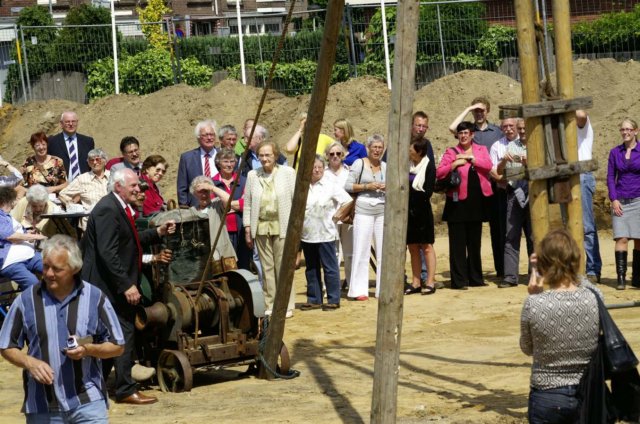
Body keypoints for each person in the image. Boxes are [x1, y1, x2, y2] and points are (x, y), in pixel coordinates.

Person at [0, 235, 125, 423]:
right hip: (42, 406)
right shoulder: (26, 301)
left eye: (57, 269)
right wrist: (29, 362)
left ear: (74, 269)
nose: (48, 274)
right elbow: (6, 345)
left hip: (88, 402)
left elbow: (117, 345)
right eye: (45, 266)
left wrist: (89, 349)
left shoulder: (95, 298)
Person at [81, 168, 176, 405]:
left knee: (109, 336)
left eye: (138, 185)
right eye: (133, 185)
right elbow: (108, 253)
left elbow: (129, 242)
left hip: (112, 285)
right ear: (118, 187)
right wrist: (126, 285)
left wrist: (157, 232)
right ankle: (124, 389)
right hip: (108, 287)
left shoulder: (118, 208)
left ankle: (94, 386)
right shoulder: (106, 210)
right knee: (122, 333)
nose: (138, 189)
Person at [520, 229, 601, 423]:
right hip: (587, 391)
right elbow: (585, 283)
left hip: (547, 394)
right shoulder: (595, 297)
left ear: (543, 264)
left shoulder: (534, 303)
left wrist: (536, 288)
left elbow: (527, 348)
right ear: (576, 259)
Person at [449, 97, 505, 277]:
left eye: (482, 110)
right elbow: (452, 128)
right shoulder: (468, 130)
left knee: (497, 229)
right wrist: (469, 107)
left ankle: (501, 268)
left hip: (493, 185)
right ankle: (472, 271)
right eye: (476, 111)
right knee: (473, 231)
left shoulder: (496, 131)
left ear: (488, 111)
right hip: (474, 187)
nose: (479, 114)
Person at [437, 122, 493, 290]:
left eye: (466, 133)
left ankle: (476, 278)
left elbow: (489, 166)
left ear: (472, 134)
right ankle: (459, 280)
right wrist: (454, 164)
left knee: (474, 243)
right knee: (458, 245)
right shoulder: (451, 152)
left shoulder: (481, 150)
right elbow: (440, 172)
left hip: (477, 203)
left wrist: (472, 159)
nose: (463, 136)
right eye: (460, 133)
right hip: (457, 204)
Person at [243, 140, 296, 317]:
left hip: (283, 226)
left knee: (283, 266)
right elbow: (248, 204)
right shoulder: (252, 175)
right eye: (261, 155)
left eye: (268, 155)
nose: (264, 158)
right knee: (266, 269)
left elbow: (297, 201)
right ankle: (270, 304)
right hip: (261, 227)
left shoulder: (288, 173)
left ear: (276, 156)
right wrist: (248, 228)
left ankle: (286, 305)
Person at [300, 155, 351, 311]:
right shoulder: (302, 186)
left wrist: (339, 215)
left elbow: (347, 200)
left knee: (330, 267)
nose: (316, 170)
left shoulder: (330, 185)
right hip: (307, 233)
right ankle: (314, 298)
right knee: (311, 267)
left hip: (326, 233)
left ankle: (333, 298)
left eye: (320, 168)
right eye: (313, 167)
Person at [345, 134, 386, 300]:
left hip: (382, 210)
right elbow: (348, 185)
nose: (377, 150)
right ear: (368, 148)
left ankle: (382, 288)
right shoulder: (359, 163)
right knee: (361, 248)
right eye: (374, 147)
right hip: (363, 210)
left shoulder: (385, 166)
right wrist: (367, 186)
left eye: (379, 147)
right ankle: (358, 290)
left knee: (384, 250)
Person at [495, 118, 533, 288]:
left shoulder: (537, 144)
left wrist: (526, 167)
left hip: (534, 195)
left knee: (534, 237)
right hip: (514, 195)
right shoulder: (511, 146)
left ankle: (536, 274)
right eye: (520, 128)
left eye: (524, 128)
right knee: (511, 236)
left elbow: (541, 170)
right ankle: (510, 276)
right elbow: (501, 172)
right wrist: (504, 161)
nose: (522, 131)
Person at [607, 118, 640, 290]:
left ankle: (637, 278)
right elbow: (610, 177)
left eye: (629, 129)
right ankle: (621, 278)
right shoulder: (614, 152)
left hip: (639, 199)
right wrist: (614, 199)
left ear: (636, 131)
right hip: (621, 200)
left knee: (639, 240)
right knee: (621, 238)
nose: (625, 132)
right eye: (623, 129)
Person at [405, 116, 437, 295]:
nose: (409, 151)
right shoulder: (406, 165)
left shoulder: (429, 167)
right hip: (408, 212)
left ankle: (430, 281)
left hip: (422, 212)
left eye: (411, 149)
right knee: (412, 246)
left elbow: (427, 192)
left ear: (419, 152)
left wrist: (408, 193)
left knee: (426, 246)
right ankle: (416, 281)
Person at [0, 186, 47, 289]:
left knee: (56, 271)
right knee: (34, 285)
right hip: (11, 261)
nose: (13, 205)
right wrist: (35, 236)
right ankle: (38, 303)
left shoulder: (7, 216)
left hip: (30, 255)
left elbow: (16, 232)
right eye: (11, 202)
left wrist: (27, 232)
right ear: (4, 201)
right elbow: (11, 236)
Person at [210, 148, 250, 269]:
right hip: (222, 230)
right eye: (225, 161)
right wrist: (237, 205)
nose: (229, 164)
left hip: (241, 229)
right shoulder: (212, 183)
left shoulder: (243, 181)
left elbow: (247, 204)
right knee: (226, 265)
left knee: (243, 263)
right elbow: (214, 206)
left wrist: (227, 205)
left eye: (232, 161)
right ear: (218, 163)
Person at [577, 110, 602, 284]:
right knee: (568, 226)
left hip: (582, 175)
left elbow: (582, 114)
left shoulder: (581, 126)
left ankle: (593, 269)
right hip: (563, 177)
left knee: (587, 226)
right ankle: (574, 268)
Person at [324, 141, 352, 290]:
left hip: (348, 218)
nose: (335, 156)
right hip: (329, 218)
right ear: (327, 156)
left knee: (349, 253)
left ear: (343, 155)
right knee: (332, 253)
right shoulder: (323, 174)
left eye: (338, 153)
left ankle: (350, 283)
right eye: (331, 154)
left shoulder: (350, 172)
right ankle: (331, 286)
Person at [58, 148, 110, 226]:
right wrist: (74, 207)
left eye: (98, 159)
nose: (95, 162)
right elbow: (63, 194)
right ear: (88, 163)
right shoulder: (82, 179)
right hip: (90, 223)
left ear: (105, 161)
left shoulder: (113, 176)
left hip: (111, 221)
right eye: (91, 160)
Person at [177, 120, 218, 207]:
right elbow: (182, 188)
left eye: (212, 134)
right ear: (198, 137)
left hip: (219, 205)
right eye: (206, 135)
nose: (209, 138)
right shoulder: (187, 158)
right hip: (196, 208)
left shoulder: (223, 156)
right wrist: (184, 208)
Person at [47, 111, 95, 181]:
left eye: (73, 121)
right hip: (62, 185)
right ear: (61, 124)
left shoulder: (87, 141)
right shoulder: (52, 142)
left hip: (84, 184)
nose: (71, 124)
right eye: (67, 122)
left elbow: (92, 163)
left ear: (77, 122)